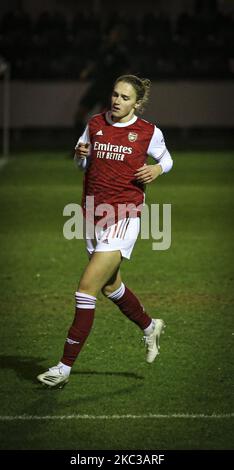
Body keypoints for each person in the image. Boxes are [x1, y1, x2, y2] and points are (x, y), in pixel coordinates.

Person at [37, 74, 173, 389]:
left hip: (124, 217)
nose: (117, 101)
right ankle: (150, 326)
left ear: (137, 103)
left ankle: (63, 368)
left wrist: (156, 168)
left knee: (86, 289)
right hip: (92, 216)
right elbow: (82, 164)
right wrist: (79, 158)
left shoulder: (147, 132)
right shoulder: (95, 124)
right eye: (115, 95)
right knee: (111, 287)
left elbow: (167, 159)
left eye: (125, 97)